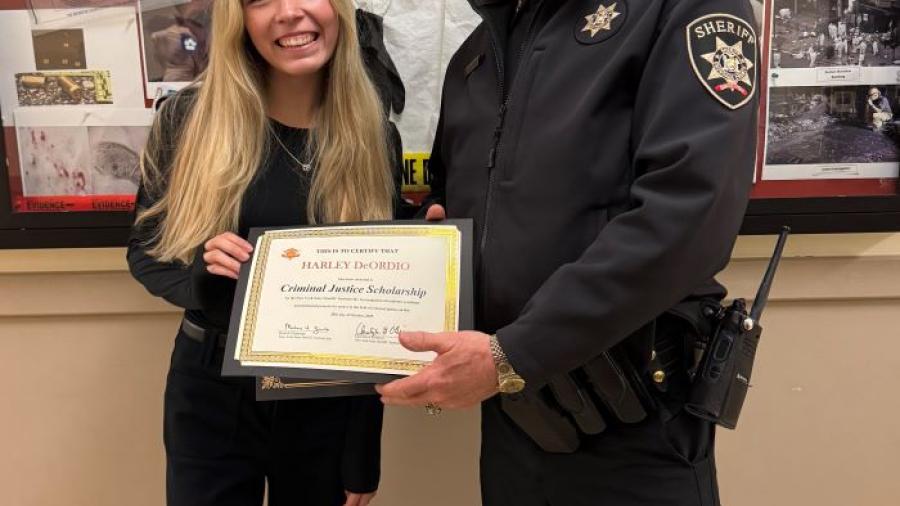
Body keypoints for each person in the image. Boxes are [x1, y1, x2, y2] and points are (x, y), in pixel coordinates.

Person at [377, 0, 758, 504]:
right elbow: (459, 198)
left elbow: (688, 215)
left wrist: (511, 356)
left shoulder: (682, 10)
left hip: (630, 415)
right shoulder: (478, 55)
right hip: (515, 414)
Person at [127, 1, 400, 505]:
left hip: (328, 393)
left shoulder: (372, 133)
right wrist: (202, 280)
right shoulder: (189, 119)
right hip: (212, 387)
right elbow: (146, 252)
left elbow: (372, 317)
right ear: (239, 20)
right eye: (261, 0)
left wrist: (362, 450)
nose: (289, 13)